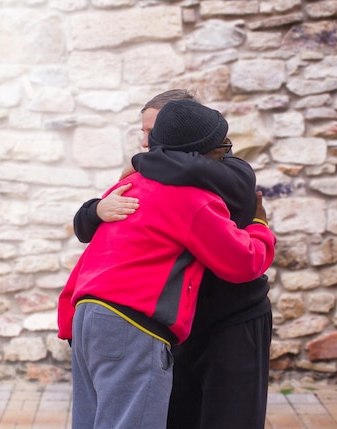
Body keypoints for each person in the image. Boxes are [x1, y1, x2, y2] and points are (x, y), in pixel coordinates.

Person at [57, 99, 276, 429]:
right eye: (222, 148)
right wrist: (260, 226)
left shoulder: (130, 183)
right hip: (131, 323)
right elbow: (243, 261)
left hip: (85, 316)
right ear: (202, 152)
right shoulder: (189, 198)